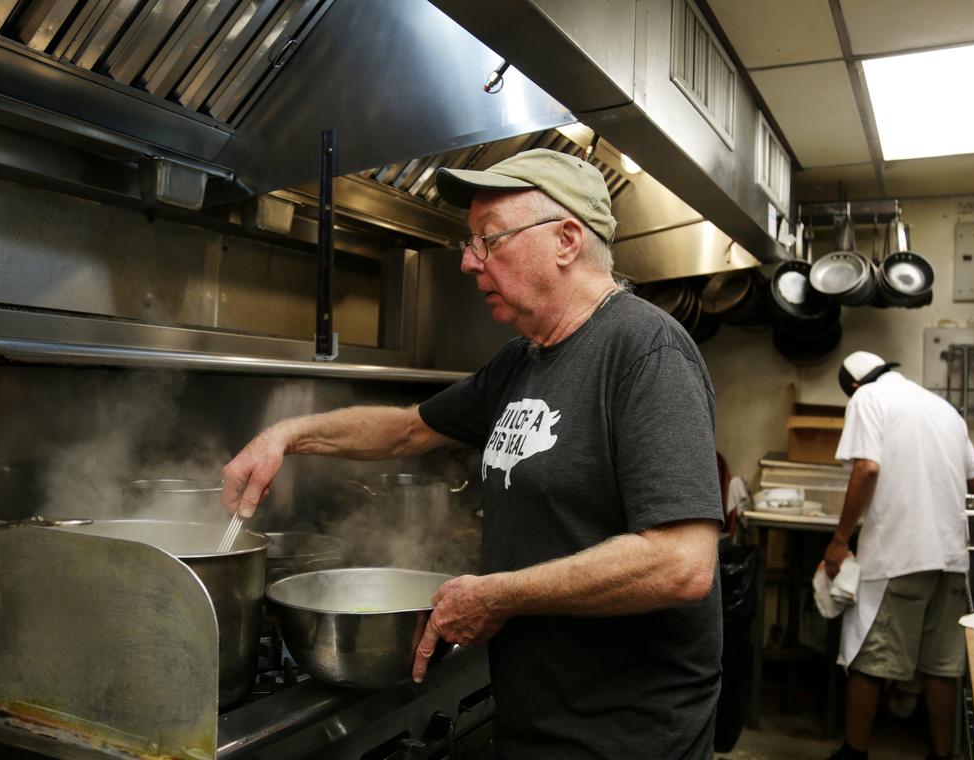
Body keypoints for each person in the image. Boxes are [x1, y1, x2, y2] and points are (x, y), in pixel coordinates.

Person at [222, 148, 725, 758]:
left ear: (566, 240)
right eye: (470, 243)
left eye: (489, 239)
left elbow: (680, 563)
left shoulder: (646, 351)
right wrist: (286, 435)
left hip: (627, 737)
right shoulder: (523, 360)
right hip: (537, 720)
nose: (467, 261)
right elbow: (407, 429)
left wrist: (497, 595)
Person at [822, 351, 974, 760]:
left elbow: (867, 468)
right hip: (951, 558)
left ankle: (853, 755)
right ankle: (941, 755)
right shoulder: (943, 408)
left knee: (869, 660)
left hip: (899, 556)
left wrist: (840, 540)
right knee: (941, 668)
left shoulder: (868, 398)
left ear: (854, 388)